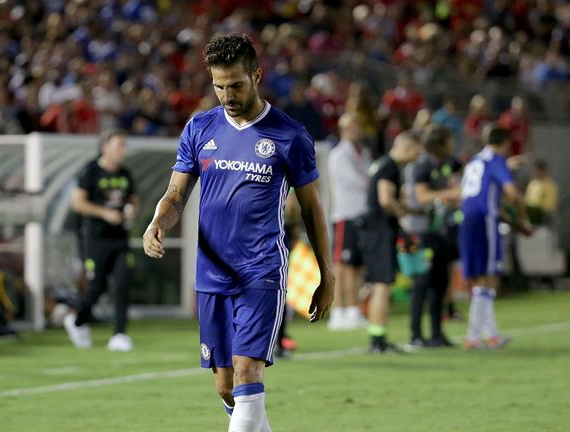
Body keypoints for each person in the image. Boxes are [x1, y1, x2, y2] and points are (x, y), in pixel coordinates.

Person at [142, 33, 334, 432]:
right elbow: (176, 193)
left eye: (235, 85)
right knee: (227, 387)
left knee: (248, 374)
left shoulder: (289, 135)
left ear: (256, 76)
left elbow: (312, 208)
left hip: (260, 269)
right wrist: (158, 220)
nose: (226, 94)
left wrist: (325, 274)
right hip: (212, 273)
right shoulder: (199, 128)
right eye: (218, 85)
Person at [63, 129, 139, 351]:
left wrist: (132, 211)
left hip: (120, 238)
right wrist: (104, 213)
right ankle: (77, 320)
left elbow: (134, 199)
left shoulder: (125, 173)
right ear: (105, 147)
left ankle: (119, 334)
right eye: (119, 145)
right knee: (97, 285)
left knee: (123, 282)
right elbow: (77, 203)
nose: (123, 150)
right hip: (96, 239)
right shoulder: (91, 171)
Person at [459, 125, 531, 350]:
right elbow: (511, 191)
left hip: (468, 218)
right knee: (490, 277)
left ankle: (490, 335)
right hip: (485, 220)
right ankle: (473, 337)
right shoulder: (497, 160)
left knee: (483, 278)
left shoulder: (474, 161)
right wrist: (523, 217)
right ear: (505, 142)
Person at [360, 131, 422, 353]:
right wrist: (403, 217)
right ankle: (377, 340)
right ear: (406, 147)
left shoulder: (382, 164)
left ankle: (378, 337)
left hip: (374, 230)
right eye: (416, 151)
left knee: (381, 285)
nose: (417, 156)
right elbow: (386, 199)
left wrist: (409, 209)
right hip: (379, 231)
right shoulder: (389, 166)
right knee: (382, 285)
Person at [403, 126, 461, 348]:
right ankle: (416, 335)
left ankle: (437, 333)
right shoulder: (422, 165)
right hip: (420, 232)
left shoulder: (441, 165)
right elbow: (421, 196)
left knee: (440, 282)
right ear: (440, 144)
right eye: (449, 140)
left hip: (438, 231)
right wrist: (451, 194)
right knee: (422, 283)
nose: (452, 145)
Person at [327, 113, 371, 331]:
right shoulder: (339, 155)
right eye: (353, 128)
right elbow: (358, 181)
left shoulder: (363, 152)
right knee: (342, 266)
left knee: (354, 266)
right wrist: (374, 181)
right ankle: (337, 312)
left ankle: (353, 310)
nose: (357, 131)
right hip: (345, 214)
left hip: (360, 215)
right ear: (344, 130)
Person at [524, 159, 558, 226]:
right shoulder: (533, 183)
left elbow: (550, 206)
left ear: (544, 170)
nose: (537, 172)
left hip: (545, 216)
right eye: (536, 170)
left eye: (539, 170)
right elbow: (528, 199)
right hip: (532, 216)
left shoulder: (550, 185)